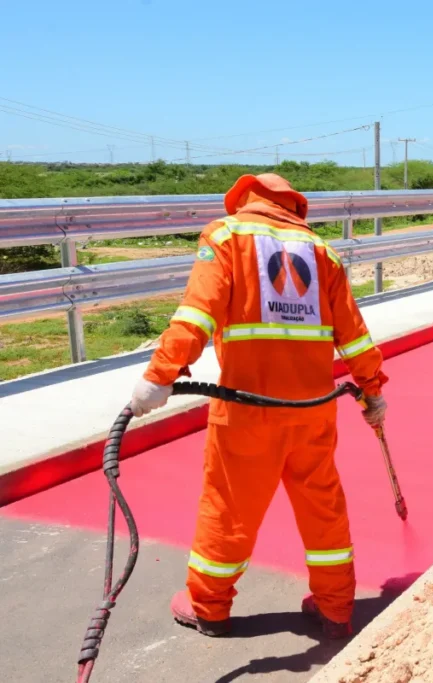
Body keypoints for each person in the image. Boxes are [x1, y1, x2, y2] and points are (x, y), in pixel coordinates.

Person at [129, 173, 389, 638]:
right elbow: (354, 336)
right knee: (322, 507)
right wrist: (373, 390)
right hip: (312, 412)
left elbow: (197, 314)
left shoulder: (226, 236)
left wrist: (159, 375)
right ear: (294, 207)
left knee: (229, 506)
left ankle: (208, 605)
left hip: (246, 411)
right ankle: (335, 608)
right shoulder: (323, 252)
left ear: (243, 200)